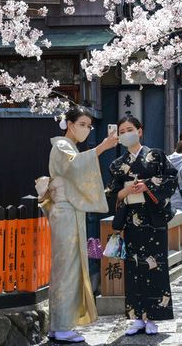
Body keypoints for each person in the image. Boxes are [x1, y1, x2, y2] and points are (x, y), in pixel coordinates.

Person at [44, 106, 118, 343]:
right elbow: (76, 165)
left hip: (68, 211)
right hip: (65, 211)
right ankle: (63, 325)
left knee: (67, 266)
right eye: (82, 124)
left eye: (88, 125)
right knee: (68, 267)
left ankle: (59, 324)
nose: (86, 129)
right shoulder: (62, 145)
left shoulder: (67, 146)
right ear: (69, 124)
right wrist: (102, 147)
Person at [108, 116, 178, 336]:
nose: (126, 133)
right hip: (131, 221)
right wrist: (128, 190)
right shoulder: (117, 164)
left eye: (130, 129)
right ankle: (137, 317)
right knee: (134, 268)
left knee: (155, 267)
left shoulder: (156, 155)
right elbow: (113, 194)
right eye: (122, 131)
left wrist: (147, 186)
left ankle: (153, 317)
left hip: (153, 219)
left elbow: (171, 180)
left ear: (140, 131)